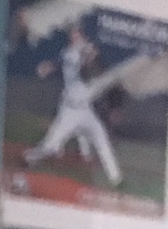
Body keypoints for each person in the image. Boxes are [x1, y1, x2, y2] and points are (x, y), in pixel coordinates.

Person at [27, 24, 124, 189]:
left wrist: (90, 56)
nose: (73, 36)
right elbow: (63, 61)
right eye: (72, 33)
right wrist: (49, 66)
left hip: (86, 110)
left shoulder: (89, 49)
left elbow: (94, 66)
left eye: (76, 32)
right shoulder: (68, 51)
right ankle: (30, 157)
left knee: (102, 139)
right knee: (51, 145)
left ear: (82, 34)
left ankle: (117, 180)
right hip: (70, 111)